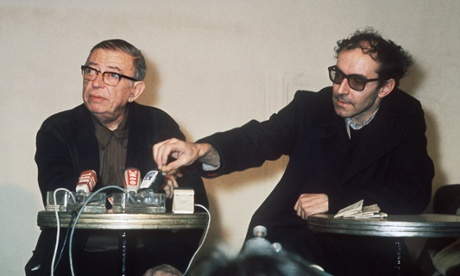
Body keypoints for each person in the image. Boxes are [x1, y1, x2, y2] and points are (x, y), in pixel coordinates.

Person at [153, 28, 434, 275]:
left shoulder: (405, 116)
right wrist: (202, 149)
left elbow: (413, 190)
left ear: (385, 87)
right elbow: (258, 139)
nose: (341, 89)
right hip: (293, 237)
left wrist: (336, 201)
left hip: (363, 251)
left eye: (357, 82)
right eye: (338, 75)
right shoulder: (311, 107)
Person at [25, 39, 208, 276]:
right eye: (90, 71)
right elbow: (62, 196)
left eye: (112, 75)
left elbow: (194, 203)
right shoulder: (58, 129)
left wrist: (172, 264)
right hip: (74, 256)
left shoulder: (159, 125)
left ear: (135, 91)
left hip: (148, 257)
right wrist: (147, 195)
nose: (96, 83)